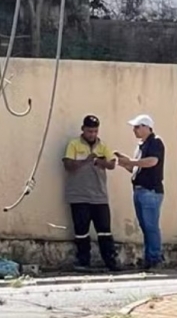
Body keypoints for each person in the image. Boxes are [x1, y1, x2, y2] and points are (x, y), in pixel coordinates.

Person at [62, 115, 119, 271]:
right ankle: (83, 261)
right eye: (89, 131)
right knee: (81, 231)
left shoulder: (103, 146)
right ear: (83, 129)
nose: (92, 134)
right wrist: (87, 160)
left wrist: (99, 161)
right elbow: (68, 165)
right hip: (79, 195)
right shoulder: (73, 144)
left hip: (99, 196)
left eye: (95, 131)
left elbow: (112, 164)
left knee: (105, 231)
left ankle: (111, 261)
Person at [115, 114, 165, 270]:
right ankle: (150, 258)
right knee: (145, 226)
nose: (134, 130)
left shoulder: (155, 142)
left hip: (150, 191)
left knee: (151, 226)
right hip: (138, 189)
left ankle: (155, 258)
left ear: (146, 127)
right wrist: (123, 163)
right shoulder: (140, 146)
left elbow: (152, 161)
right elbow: (136, 168)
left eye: (137, 127)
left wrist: (131, 161)